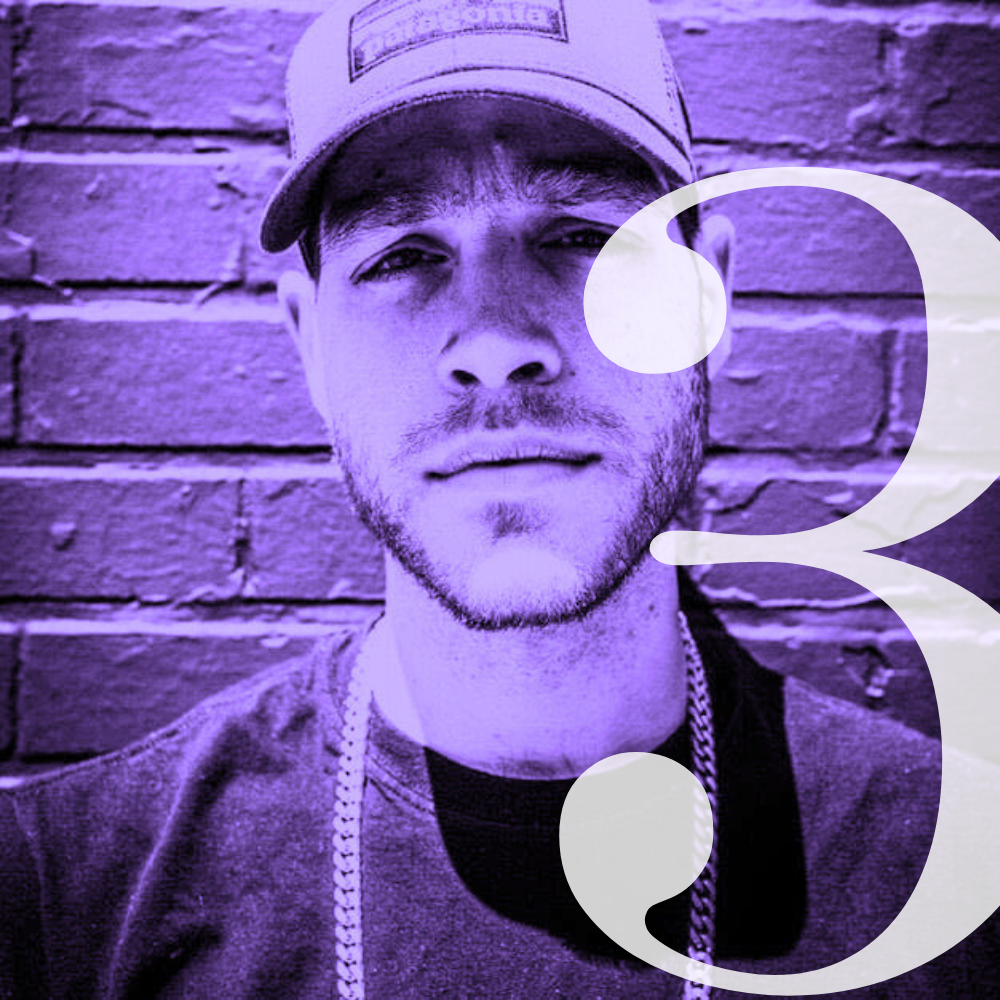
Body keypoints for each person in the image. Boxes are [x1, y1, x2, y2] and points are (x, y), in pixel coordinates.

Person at [1, 1, 997, 997]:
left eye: (582, 236)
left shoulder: (961, 881)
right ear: (309, 343)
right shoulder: (63, 900)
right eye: (401, 254)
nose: (494, 343)